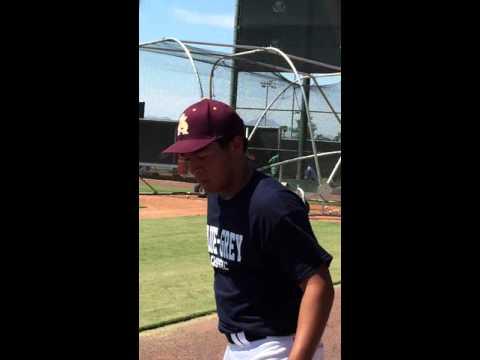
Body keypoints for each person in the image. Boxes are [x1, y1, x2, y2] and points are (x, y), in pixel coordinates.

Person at [163, 98, 334, 360]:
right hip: (238, 348)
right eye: (187, 158)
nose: (195, 168)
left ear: (235, 145)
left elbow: (317, 282)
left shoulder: (271, 204)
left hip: (277, 347)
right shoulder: (217, 194)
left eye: (203, 155)